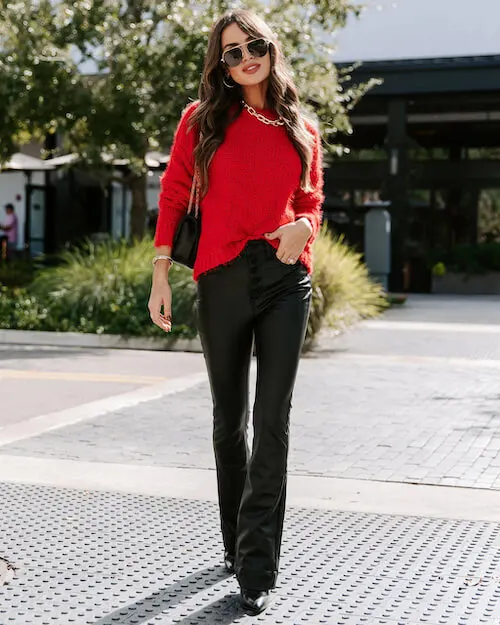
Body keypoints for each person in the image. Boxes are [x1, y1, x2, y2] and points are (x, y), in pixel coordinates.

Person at [148, 9, 324, 615]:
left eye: (253, 45)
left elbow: (311, 200)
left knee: (273, 419)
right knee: (231, 424)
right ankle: (234, 543)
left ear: (271, 49)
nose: (246, 57)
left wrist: (305, 226)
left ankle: (255, 565)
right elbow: (174, 192)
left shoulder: (301, 126)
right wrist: (160, 277)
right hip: (220, 277)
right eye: (231, 52)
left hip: (283, 280)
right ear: (220, 65)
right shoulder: (200, 122)